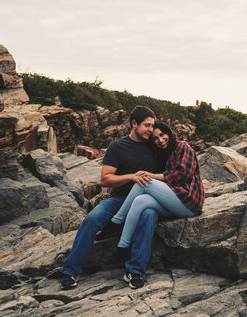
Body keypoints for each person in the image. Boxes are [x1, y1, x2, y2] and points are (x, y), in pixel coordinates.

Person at [60, 106, 159, 290]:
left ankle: (135, 271)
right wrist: (130, 177)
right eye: (147, 125)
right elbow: (105, 179)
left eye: (153, 126)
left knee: (149, 216)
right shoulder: (118, 146)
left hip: (146, 201)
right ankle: (70, 270)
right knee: (92, 219)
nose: (151, 130)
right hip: (119, 199)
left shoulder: (154, 146)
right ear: (134, 123)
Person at [103, 121, 204, 279]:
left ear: (168, 133)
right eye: (155, 139)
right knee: (141, 201)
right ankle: (122, 249)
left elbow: (180, 175)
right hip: (176, 200)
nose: (160, 140)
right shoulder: (166, 153)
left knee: (144, 181)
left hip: (189, 201)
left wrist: (151, 175)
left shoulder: (182, 146)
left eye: (162, 135)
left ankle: (116, 221)